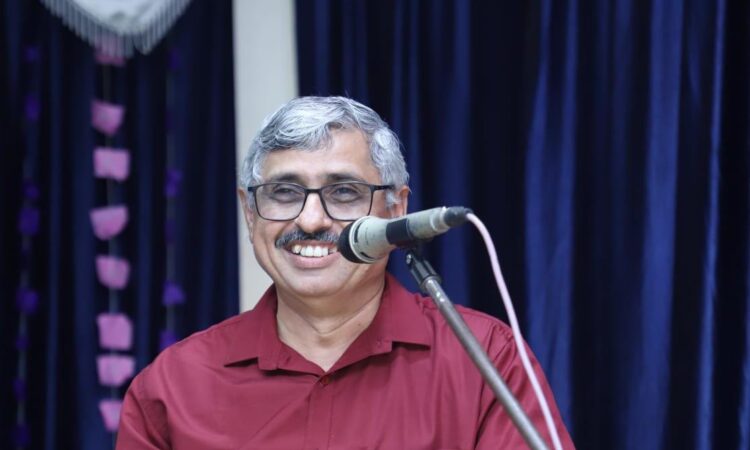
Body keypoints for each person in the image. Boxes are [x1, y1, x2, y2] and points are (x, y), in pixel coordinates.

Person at [116, 96, 575, 449]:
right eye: (284, 192)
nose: (312, 219)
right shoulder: (173, 388)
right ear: (250, 212)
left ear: (395, 208)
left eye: (344, 192)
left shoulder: (485, 360)